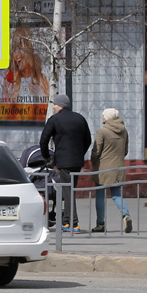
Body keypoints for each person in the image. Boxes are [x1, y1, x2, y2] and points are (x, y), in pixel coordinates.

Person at [39, 94, 92, 232]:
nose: (54, 107)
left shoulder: (55, 119)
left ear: (60, 105)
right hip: (76, 161)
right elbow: (88, 140)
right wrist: (80, 153)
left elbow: (44, 140)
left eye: (55, 104)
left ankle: (73, 223)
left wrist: (47, 157)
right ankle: (67, 221)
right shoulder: (80, 118)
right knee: (70, 190)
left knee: (68, 191)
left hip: (63, 161)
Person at [92, 108, 134, 234]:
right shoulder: (124, 131)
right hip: (118, 167)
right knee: (116, 194)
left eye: (104, 116)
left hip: (103, 168)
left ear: (108, 118)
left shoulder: (102, 131)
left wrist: (93, 159)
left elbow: (96, 151)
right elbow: (125, 151)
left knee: (100, 195)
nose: (102, 118)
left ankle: (100, 223)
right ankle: (125, 215)